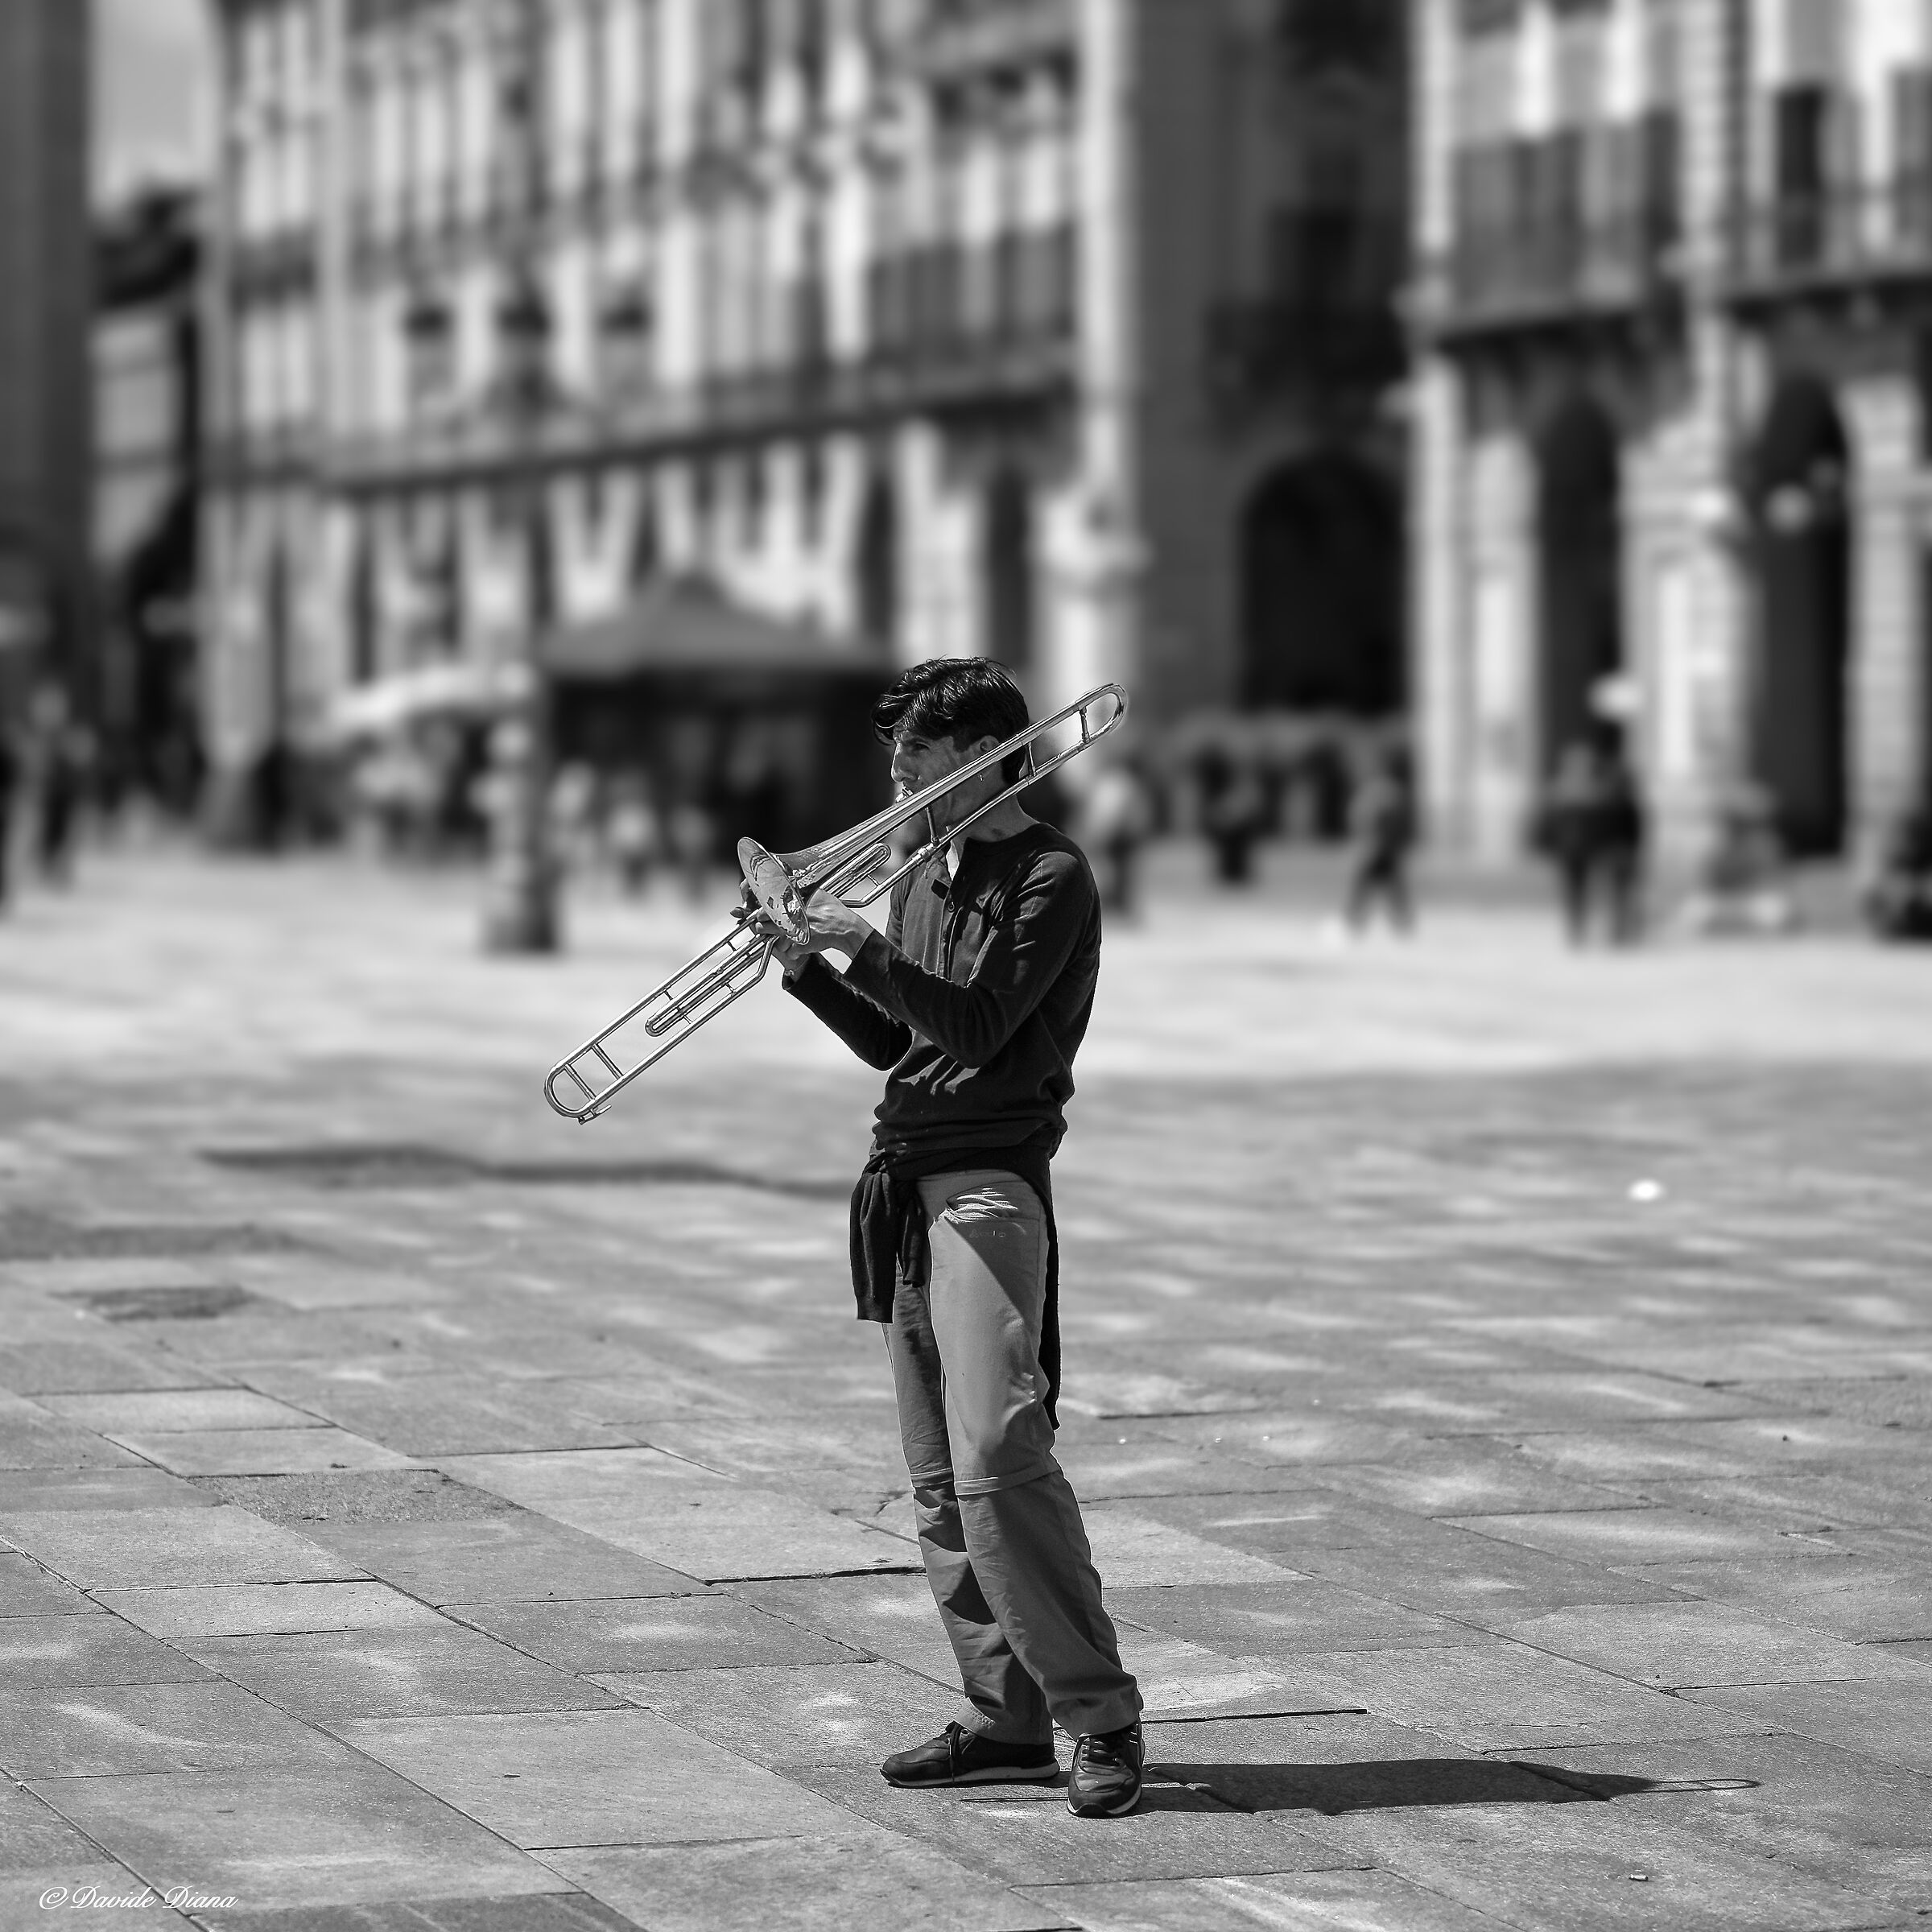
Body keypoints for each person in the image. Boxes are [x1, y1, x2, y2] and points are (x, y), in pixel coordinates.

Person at [753, 658, 1146, 1818]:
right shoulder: (926, 875)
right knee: (934, 1484)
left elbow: (975, 1029)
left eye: (915, 762)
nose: (896, 785)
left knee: (999, 1454)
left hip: (986, 1185)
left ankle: (1100, 1713)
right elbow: (900, 1046)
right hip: (904, 1183)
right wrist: (807, 967)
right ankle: (1007, 1717)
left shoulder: (1051, 875)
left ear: (983, 758)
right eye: (894, 761)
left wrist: (857, 942)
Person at [1344, 745, 1416, 935]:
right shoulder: (1387, 791)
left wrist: (1373, 842)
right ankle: (1401, 922)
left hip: (1377, 847)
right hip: (1382, 847)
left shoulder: (1384, 792)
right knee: (1391, 886)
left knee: (1365, 885)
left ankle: (1355, 922)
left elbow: (1372, 819)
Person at [1080, 754, 1154, 918]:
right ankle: (1115, 901)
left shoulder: (1117, 782)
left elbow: (1115, 810)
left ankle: (1118, 902)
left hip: (1123, 833)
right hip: (1121, 833)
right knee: (1118, 869)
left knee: (1121, 869)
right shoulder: (1119, 782)